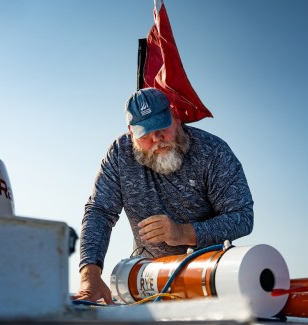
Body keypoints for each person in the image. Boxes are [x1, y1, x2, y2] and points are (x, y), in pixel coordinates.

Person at [73, 88, 254, 303]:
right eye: (145, 134)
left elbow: (242, 216)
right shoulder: (120, 154)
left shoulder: (213, 152)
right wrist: (90, 274)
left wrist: (183, 232)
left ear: (175, 116)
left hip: (209, 279)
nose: (157, 139)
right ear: (131, 133)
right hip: (147, 281)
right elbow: (100, 212)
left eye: (162, 127)